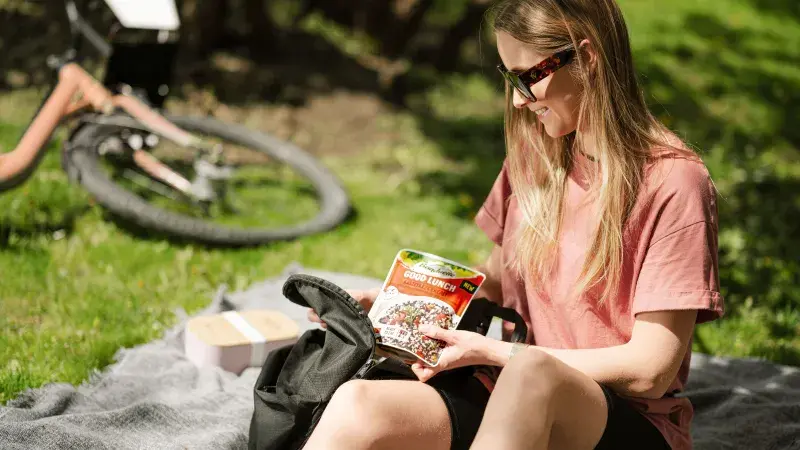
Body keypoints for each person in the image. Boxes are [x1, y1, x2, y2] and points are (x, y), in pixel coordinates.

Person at [305, 0, 724, 448]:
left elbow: (649, 372)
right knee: (357, 405)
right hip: (510, 391)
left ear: (587, 58)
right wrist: (403, 309)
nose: (519, 100)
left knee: (531, 372)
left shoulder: (673, 182)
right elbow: (498, 285)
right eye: (509, 77)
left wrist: (496, 352)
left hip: (621, 420)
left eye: (528, 77)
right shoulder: (535, 157)